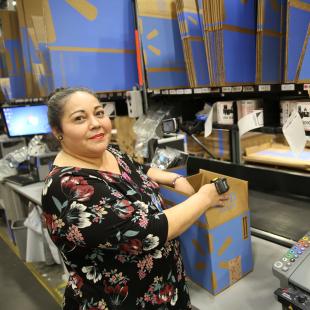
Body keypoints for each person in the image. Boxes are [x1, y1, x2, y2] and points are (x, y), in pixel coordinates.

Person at [42, 87, 229, 310]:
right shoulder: (65, 187)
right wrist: (205, 198)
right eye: (80, 118)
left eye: (99, 113)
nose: (95, 123)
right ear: (57, 131)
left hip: (166, 291)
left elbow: (139, 169)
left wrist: (173, 179)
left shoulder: (110, 153)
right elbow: (144, 233)